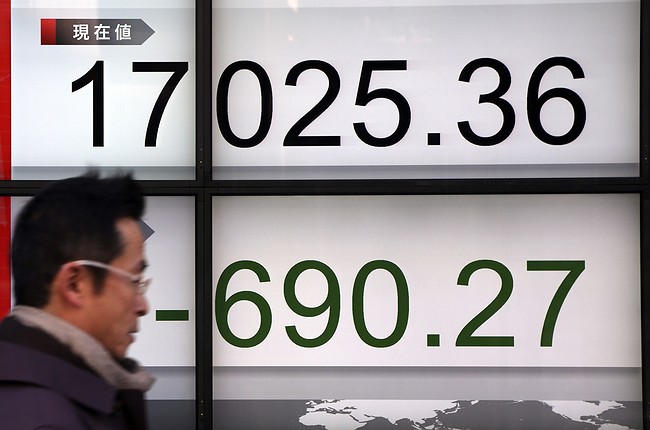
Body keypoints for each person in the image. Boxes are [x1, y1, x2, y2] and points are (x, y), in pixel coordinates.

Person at [0, 172, 154, 429]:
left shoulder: (50, 394)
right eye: (134, 280)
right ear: (75, 284)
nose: (143, 306)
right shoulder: (45, 419)